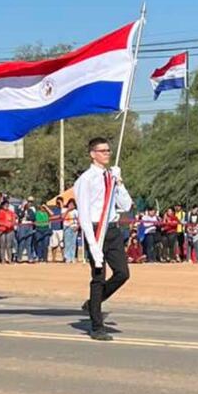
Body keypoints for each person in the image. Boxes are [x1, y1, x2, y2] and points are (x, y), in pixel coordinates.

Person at [74, 137, 133, 341]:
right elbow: (83, 213)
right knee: (98, 277)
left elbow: (125, 205)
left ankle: (93, 303)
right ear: (93, 154)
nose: (107, 153)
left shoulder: (111, 176)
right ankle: (97, 325)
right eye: (102, 151)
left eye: (108, 150)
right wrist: (92, 244)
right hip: (95, 230)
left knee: (123, 273)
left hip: (112, 230)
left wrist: (120, 182)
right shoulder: (86, 179)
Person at [62, 199, 79, 263]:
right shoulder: (64, 210)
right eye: (70, 204)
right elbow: (62, 217)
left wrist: (77, 226)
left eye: (72, 204)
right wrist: (68, 210)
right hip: (67, 227)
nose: (71, 205)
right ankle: (67, 257)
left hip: (74, 227)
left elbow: (78, 219)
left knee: (73, 243)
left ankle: (72, 257)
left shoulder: (76, 211)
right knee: (67, 243)